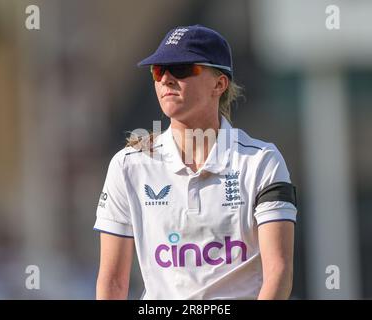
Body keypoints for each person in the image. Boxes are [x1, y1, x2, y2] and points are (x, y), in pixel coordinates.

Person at [94, 24, 297, 300]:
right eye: (158, 70)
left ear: (219, 83)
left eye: (181, 69)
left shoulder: (262, 162)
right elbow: (113, 283)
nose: (166, 78)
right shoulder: (128, 166)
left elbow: (279, 272)